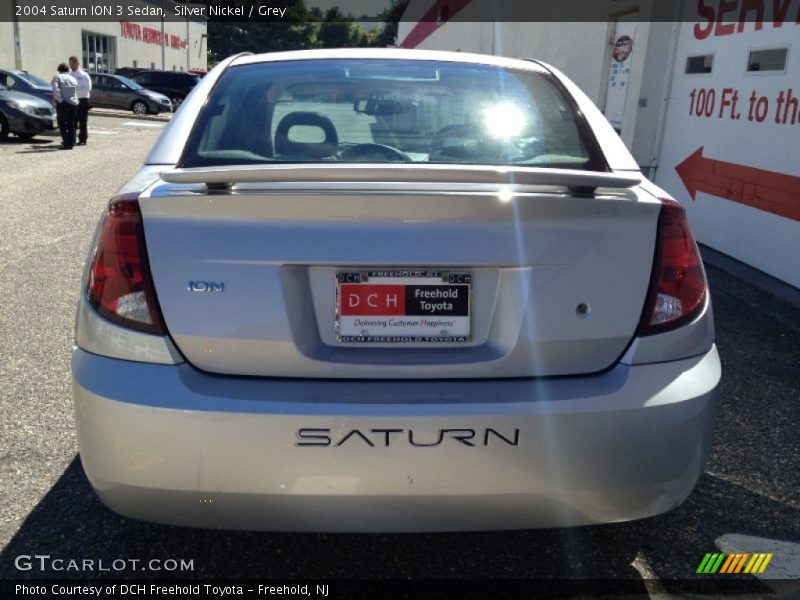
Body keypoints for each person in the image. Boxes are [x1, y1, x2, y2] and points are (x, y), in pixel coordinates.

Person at [51, 63, 78, 149]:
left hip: (63, 103)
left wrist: (60, 100)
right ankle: (72, 141)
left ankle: (66, 143)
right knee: (71, 123)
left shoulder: (57, 77)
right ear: (68, 70)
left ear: (59, 70)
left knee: (62, 124)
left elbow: (55, 89)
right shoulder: (73, 78)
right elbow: (76, 90)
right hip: (73, 103)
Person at [69, 56, 91, 146]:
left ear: (77, 63)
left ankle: (83, 139)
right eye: (70, 64)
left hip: (82, 100)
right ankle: (72, 139)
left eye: (73, 63)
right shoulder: (69, 75)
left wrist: (74, 91)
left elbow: (87, 89)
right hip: (72, 101)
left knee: (82, 121)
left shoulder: (83, 75)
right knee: (73, 121)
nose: (71, 66)